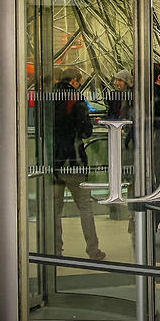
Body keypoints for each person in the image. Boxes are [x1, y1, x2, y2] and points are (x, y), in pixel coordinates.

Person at [52, 67, 105, 261]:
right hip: (74, 161)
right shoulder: (76, 98)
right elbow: (86, 131)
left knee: (54, 211)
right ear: (74, 80)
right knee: (85, 207)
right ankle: (93, 250)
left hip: (54, 162)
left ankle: (55, 251)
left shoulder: (48, 97)